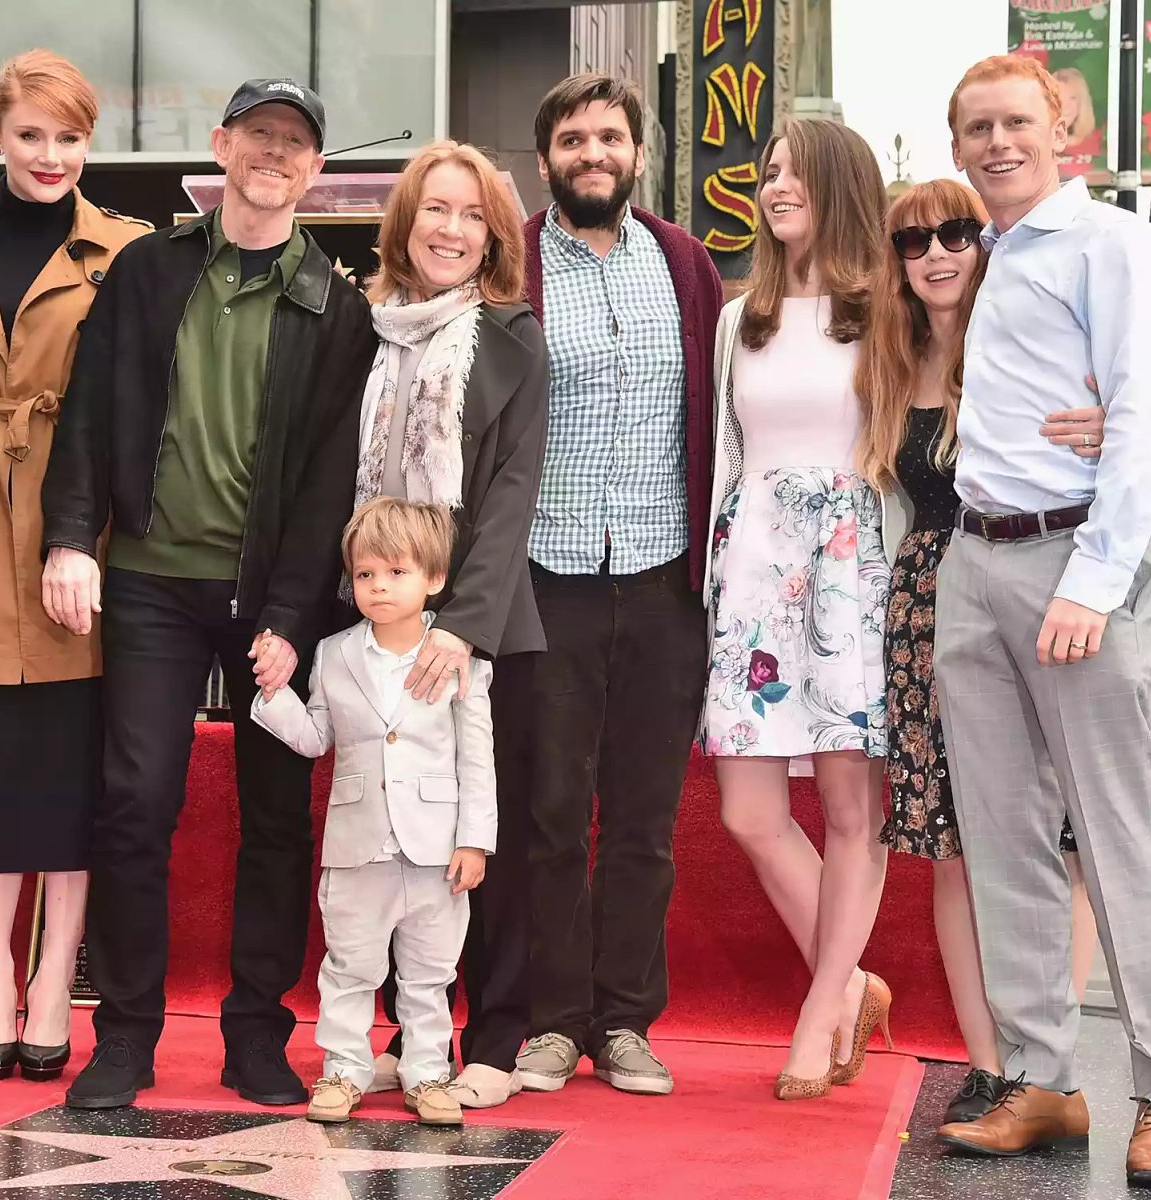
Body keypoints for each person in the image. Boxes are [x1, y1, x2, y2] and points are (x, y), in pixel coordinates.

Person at [40, 77, 377, 1111]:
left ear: (315, 172)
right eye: (259, 135)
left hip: (271, 601)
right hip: (148, 581)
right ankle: (128, 1035)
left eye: (295, 144)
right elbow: (89, 413)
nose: (274, 155)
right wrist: (70, 538)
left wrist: (290, 619)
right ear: (222, 146)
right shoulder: (147, 272)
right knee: (137, 803)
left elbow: (329, 479)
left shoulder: (336, 306)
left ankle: (255, 1032)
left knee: (277, 814)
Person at [932, 55, 1151, 1185]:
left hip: (1074, 559)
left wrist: (1091, 583)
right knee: (1002, 837)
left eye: (1015, 123)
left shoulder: (1118, 245)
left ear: (1064, 129)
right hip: (976, 558)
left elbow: (1143, 412)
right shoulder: (993, 255)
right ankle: (1043, 1081)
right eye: (974, 128)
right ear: (955, 146)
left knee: (1120, 835)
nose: (995, 143)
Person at [0, 51, 152, 1083]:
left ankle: (57, 974)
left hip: (78, 528)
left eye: (70, 136)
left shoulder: (127, 248)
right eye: (31, 134)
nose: (50, 156)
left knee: (73, 760)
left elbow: (139, 397)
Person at [854, 178, 1106, 1125]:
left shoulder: (1035, 346)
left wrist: (1112, 420)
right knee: (956, 847)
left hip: (1041, 592)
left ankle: (1052, 1061)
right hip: (926, 607)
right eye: (914, 240)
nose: (938, 252)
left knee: (1062, 837)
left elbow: (1123, 417)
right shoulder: (888, 363)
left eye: (957, 231)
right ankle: (992, 1059)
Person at [512, 73, 723, 1098]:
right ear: (545, 156)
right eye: (571, 138)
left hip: (661, 576)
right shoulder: (511, 259)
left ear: (638, 152)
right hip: (546, 572)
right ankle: (553, 1024)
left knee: (643, 818)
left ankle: (627, 1022)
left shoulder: (684, 264)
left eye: (609, 136)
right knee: (549, 813)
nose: (591, 152)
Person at [344, 140, 547, 1110]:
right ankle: (398, 1027)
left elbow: (510, 495)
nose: (452, 229)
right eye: (436, 210)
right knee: (389, 831)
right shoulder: (366, 331)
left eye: (472, 215)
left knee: (474, 836)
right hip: (376, 620)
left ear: (493, 233)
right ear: (406, 221)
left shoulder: (510, 337)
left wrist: (458, 626)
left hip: (476, 627)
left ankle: (494, 1035)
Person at [704, 118, 891, 1101]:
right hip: (752, 577)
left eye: (792, 172)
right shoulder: (747, 319)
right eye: (767, 171)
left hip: (853, 577)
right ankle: (853, 981)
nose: (773, 185)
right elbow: (726, 463)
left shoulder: (887, 309)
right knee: (746, 808)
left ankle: (821, 1009)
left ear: (839, 184)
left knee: (852, 807)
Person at [253, 497, 495, 1128]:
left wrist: (474, 841)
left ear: (434, 579)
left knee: (430, 972)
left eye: (397, 572)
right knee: (351, 964)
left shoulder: (461, 659)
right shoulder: (334, 654)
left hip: (437, 848)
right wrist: (273, 695)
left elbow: (477, 758)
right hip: (356, 845)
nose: (379, 585)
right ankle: (343, 1070)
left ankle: (428, 1073)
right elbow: (314, 738)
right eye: (366, 574)